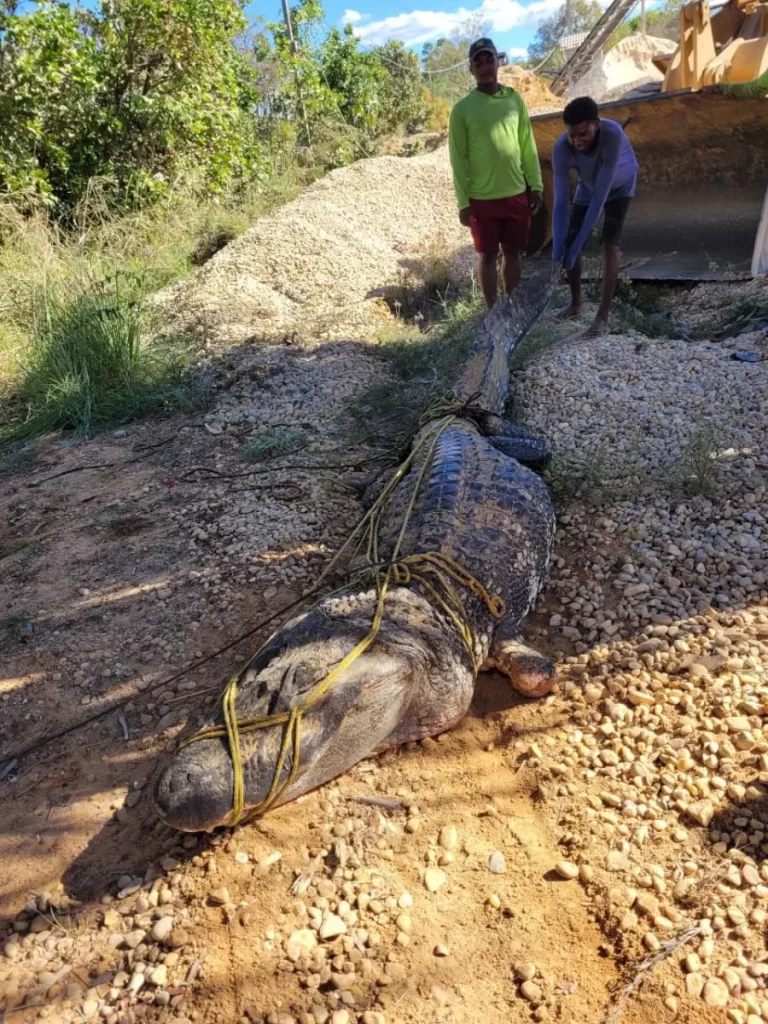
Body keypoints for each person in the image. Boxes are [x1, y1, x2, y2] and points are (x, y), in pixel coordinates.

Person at [448, 38, 543, 309]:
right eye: (478, 62)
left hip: (515, 194)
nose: (485, 66)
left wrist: (535, 185)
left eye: (489, 59)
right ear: (471, 69)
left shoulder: (515, 101)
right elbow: (457, 160)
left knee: (513, 252)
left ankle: (511, 306)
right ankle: (492, 313)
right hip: (482, 199)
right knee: (487, 256)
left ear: (498, 62)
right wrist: (463, 203)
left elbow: (528, 145)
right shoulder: (462, 110)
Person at [551, 95, 638, 336]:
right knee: (569, 240)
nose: (577, 141)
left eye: (583, 134)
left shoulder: (613, 134)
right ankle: (576, 304)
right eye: (572, 135)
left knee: (609, 243)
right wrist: (559, 253)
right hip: (589, 187)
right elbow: (560, 205)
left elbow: (600, 200)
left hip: (619, 187)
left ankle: (602, 317)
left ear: (596, 124)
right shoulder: (561, 149)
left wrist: (575, 246)